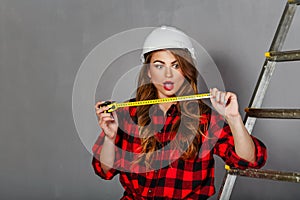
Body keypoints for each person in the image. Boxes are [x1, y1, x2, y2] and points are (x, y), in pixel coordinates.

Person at [92, 26, 267, 200]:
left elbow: (251, 160)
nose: (168, 74)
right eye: (159, 66)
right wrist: (110, 137)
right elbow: (104, 171)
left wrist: (233, 119)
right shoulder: (126, 114)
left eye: (175, 65)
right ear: (148, 72)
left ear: (185, 70)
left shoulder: (205, 118)